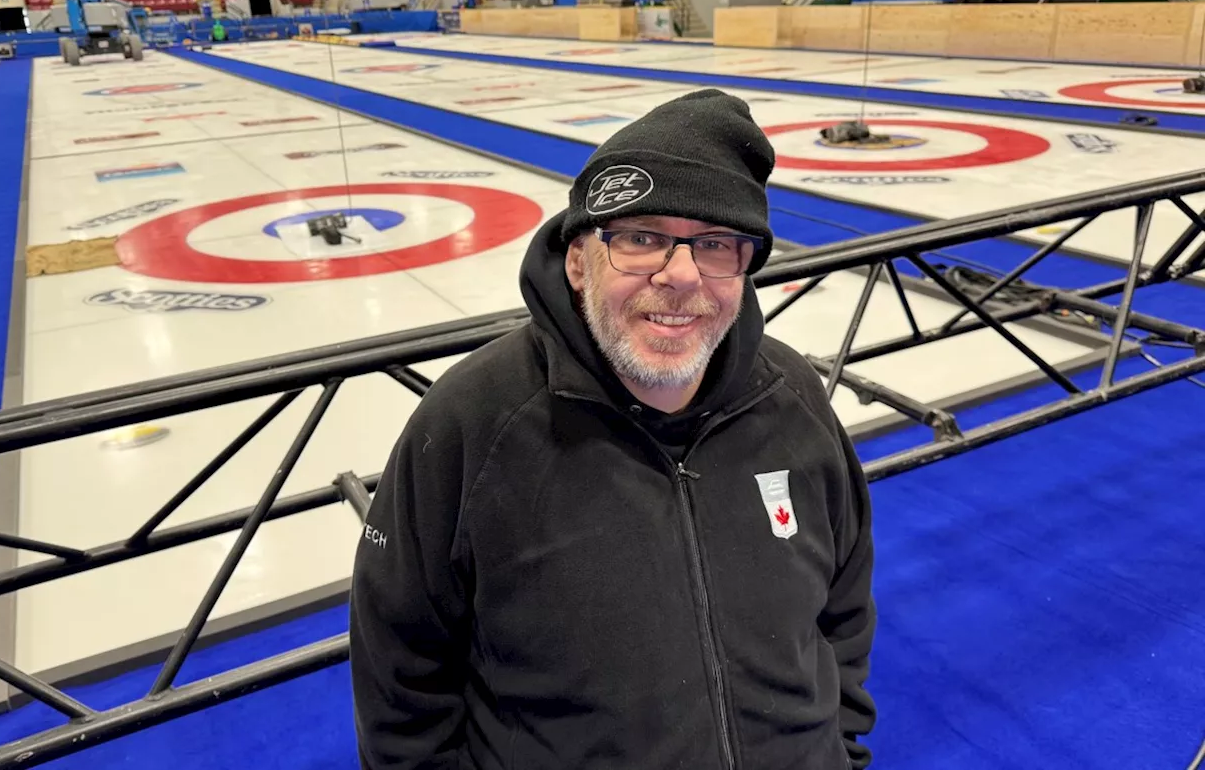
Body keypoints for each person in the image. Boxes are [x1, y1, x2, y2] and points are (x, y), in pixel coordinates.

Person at [350, 89, 877, 770]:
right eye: (642, 238)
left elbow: (844, 608)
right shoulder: (469, 426)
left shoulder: (795, 399)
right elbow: (402, 685)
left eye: (716, 244)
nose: (681, 274)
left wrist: (842, 751)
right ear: (577, 259)